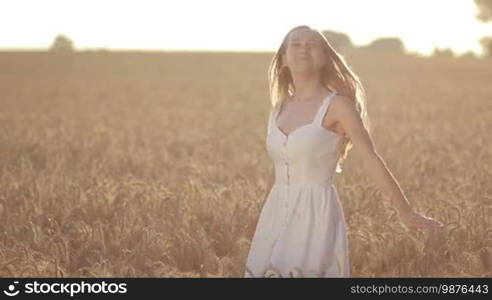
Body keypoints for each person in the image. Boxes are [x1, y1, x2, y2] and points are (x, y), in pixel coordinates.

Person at [243, 25, 443, 278]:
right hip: (275, 214)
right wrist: (262, 215)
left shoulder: (338, 106)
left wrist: (406, 213)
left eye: (312, 44)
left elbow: (371, 158)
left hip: (315, 214)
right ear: (283, 59)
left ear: (325, 59)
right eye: (296, 44)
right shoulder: (279, 108)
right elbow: (279, 166)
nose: (303, 48)